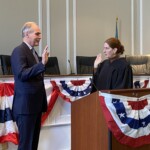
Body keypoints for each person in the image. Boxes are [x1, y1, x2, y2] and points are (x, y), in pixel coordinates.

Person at [11, 22, 49, 150]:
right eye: (37, 33)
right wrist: (42, 64)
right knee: (26, 146)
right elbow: (21, 74)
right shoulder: (19, 51)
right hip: (25, 108)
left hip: (34, 106)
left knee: (33, 145)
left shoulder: (33, 52)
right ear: (27, 34)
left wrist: (41, 63)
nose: (40, 36)